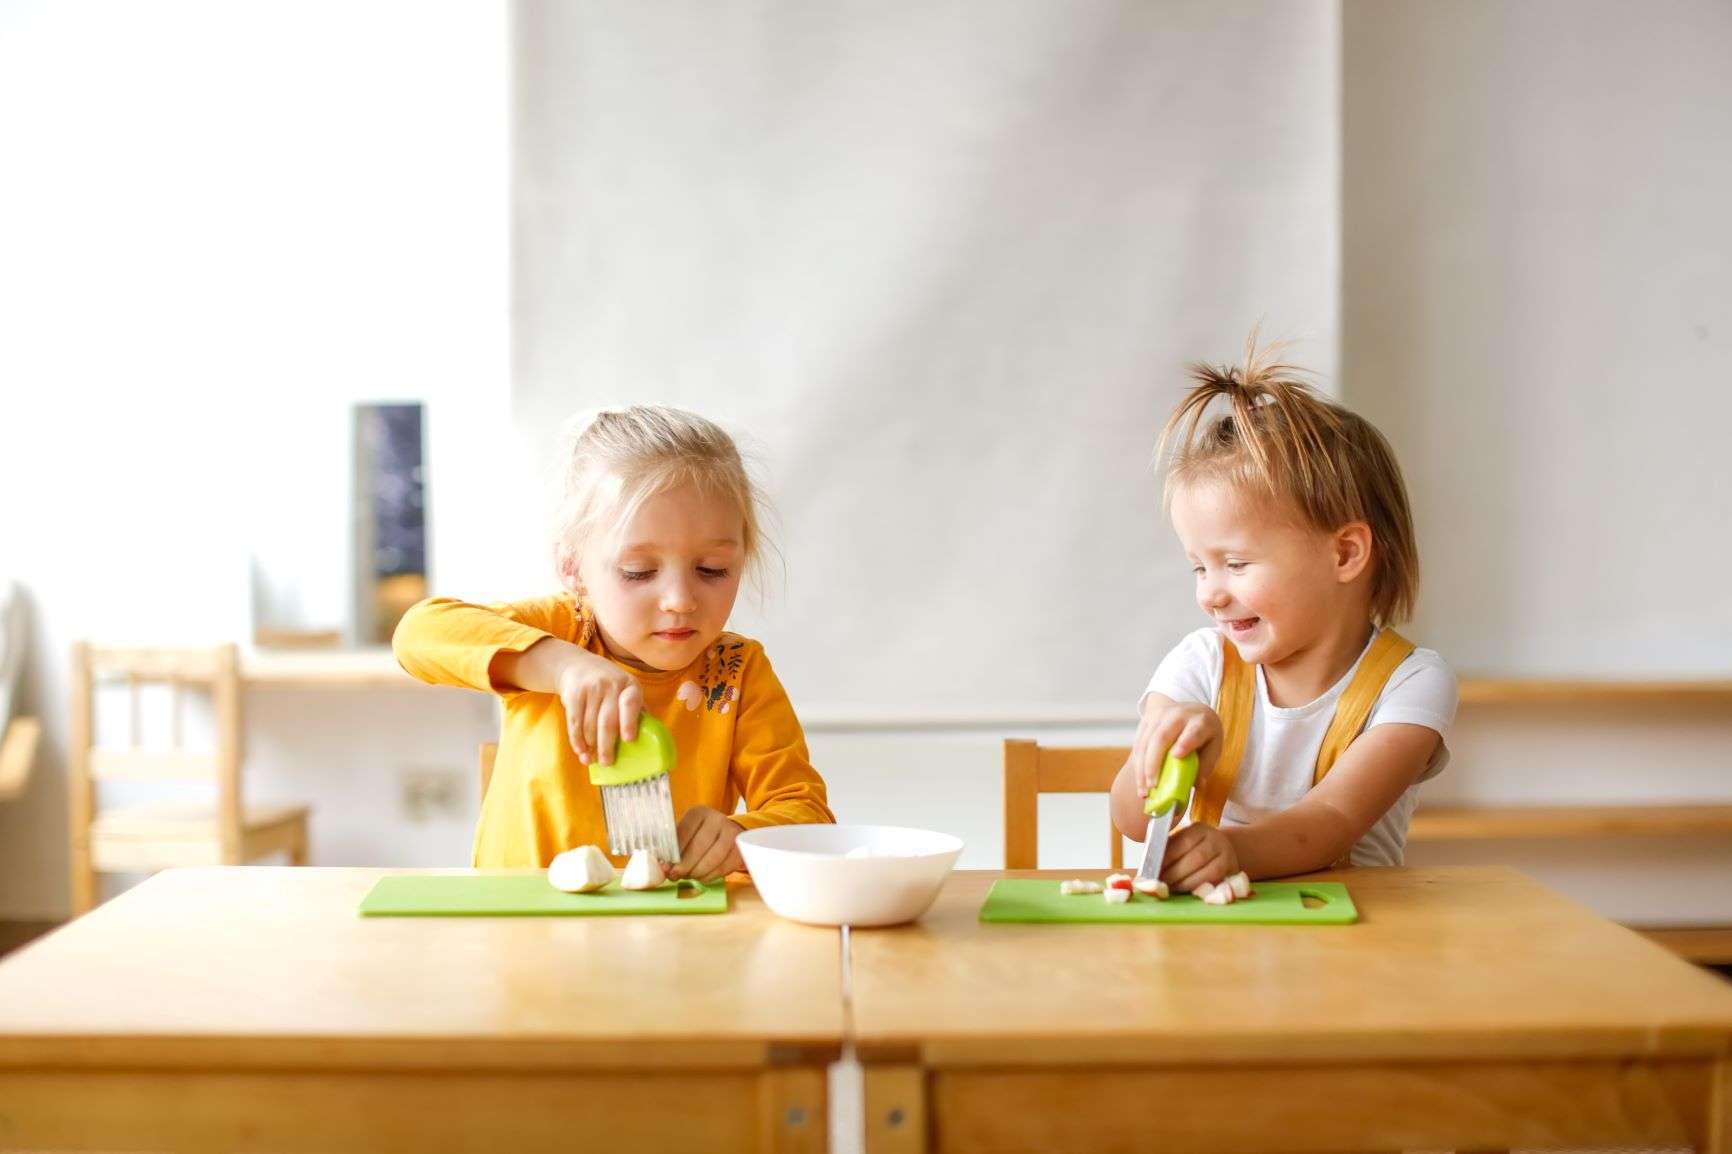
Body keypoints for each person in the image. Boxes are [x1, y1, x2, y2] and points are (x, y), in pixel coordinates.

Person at [395, 405, 834, 878]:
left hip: (670, 929)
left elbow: (807, 814)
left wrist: (742, 838)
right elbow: (419, 634)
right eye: (638, 572)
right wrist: (562, 666)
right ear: (573, 567)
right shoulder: (560, 631)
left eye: (712, 570)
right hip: (519, 924)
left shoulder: (736, 674)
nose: (680, 600)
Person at [1109, 337, 1457, 892]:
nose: (1211, 596)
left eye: (1236, 563)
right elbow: (1131, 818)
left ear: (1345, 554)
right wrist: (1162, 757)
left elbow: (1331, 823)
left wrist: (1229, 848)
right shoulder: (1200, 665)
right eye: (1199, 568)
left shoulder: (1412, 682)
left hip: (1363, 940)